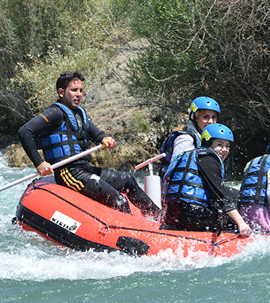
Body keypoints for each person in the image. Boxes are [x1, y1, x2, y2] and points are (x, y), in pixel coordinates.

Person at [18, 71, 160, 216]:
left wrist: (106, 139)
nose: (79, 94)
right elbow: (25, 131)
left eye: (81, 90)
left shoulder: (80, 114)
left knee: (129, 181)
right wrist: (39, 162)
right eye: (74, 90)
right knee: (119, 200)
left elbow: (97, 135)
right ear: (61, 92)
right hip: (69, 173)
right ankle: (132, 231)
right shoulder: (55, 113)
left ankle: (158, 217)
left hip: (85, 169)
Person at [162, 123, 251, 235]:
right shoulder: (208, 158)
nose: (225, 150)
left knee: (234, 194)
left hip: (173, 214)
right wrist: (241, 222)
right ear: (208, 144)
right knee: (231, 219)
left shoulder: (195, 156)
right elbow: (220, 194)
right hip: (192, 215)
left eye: (227, 146)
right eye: (220, 144)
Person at [159, 96, 220, 173]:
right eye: (205, 117)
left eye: (214, 117)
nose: (211, 121)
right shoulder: (186, 139)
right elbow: (178, 172)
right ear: (195, 118)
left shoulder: (204, 139)